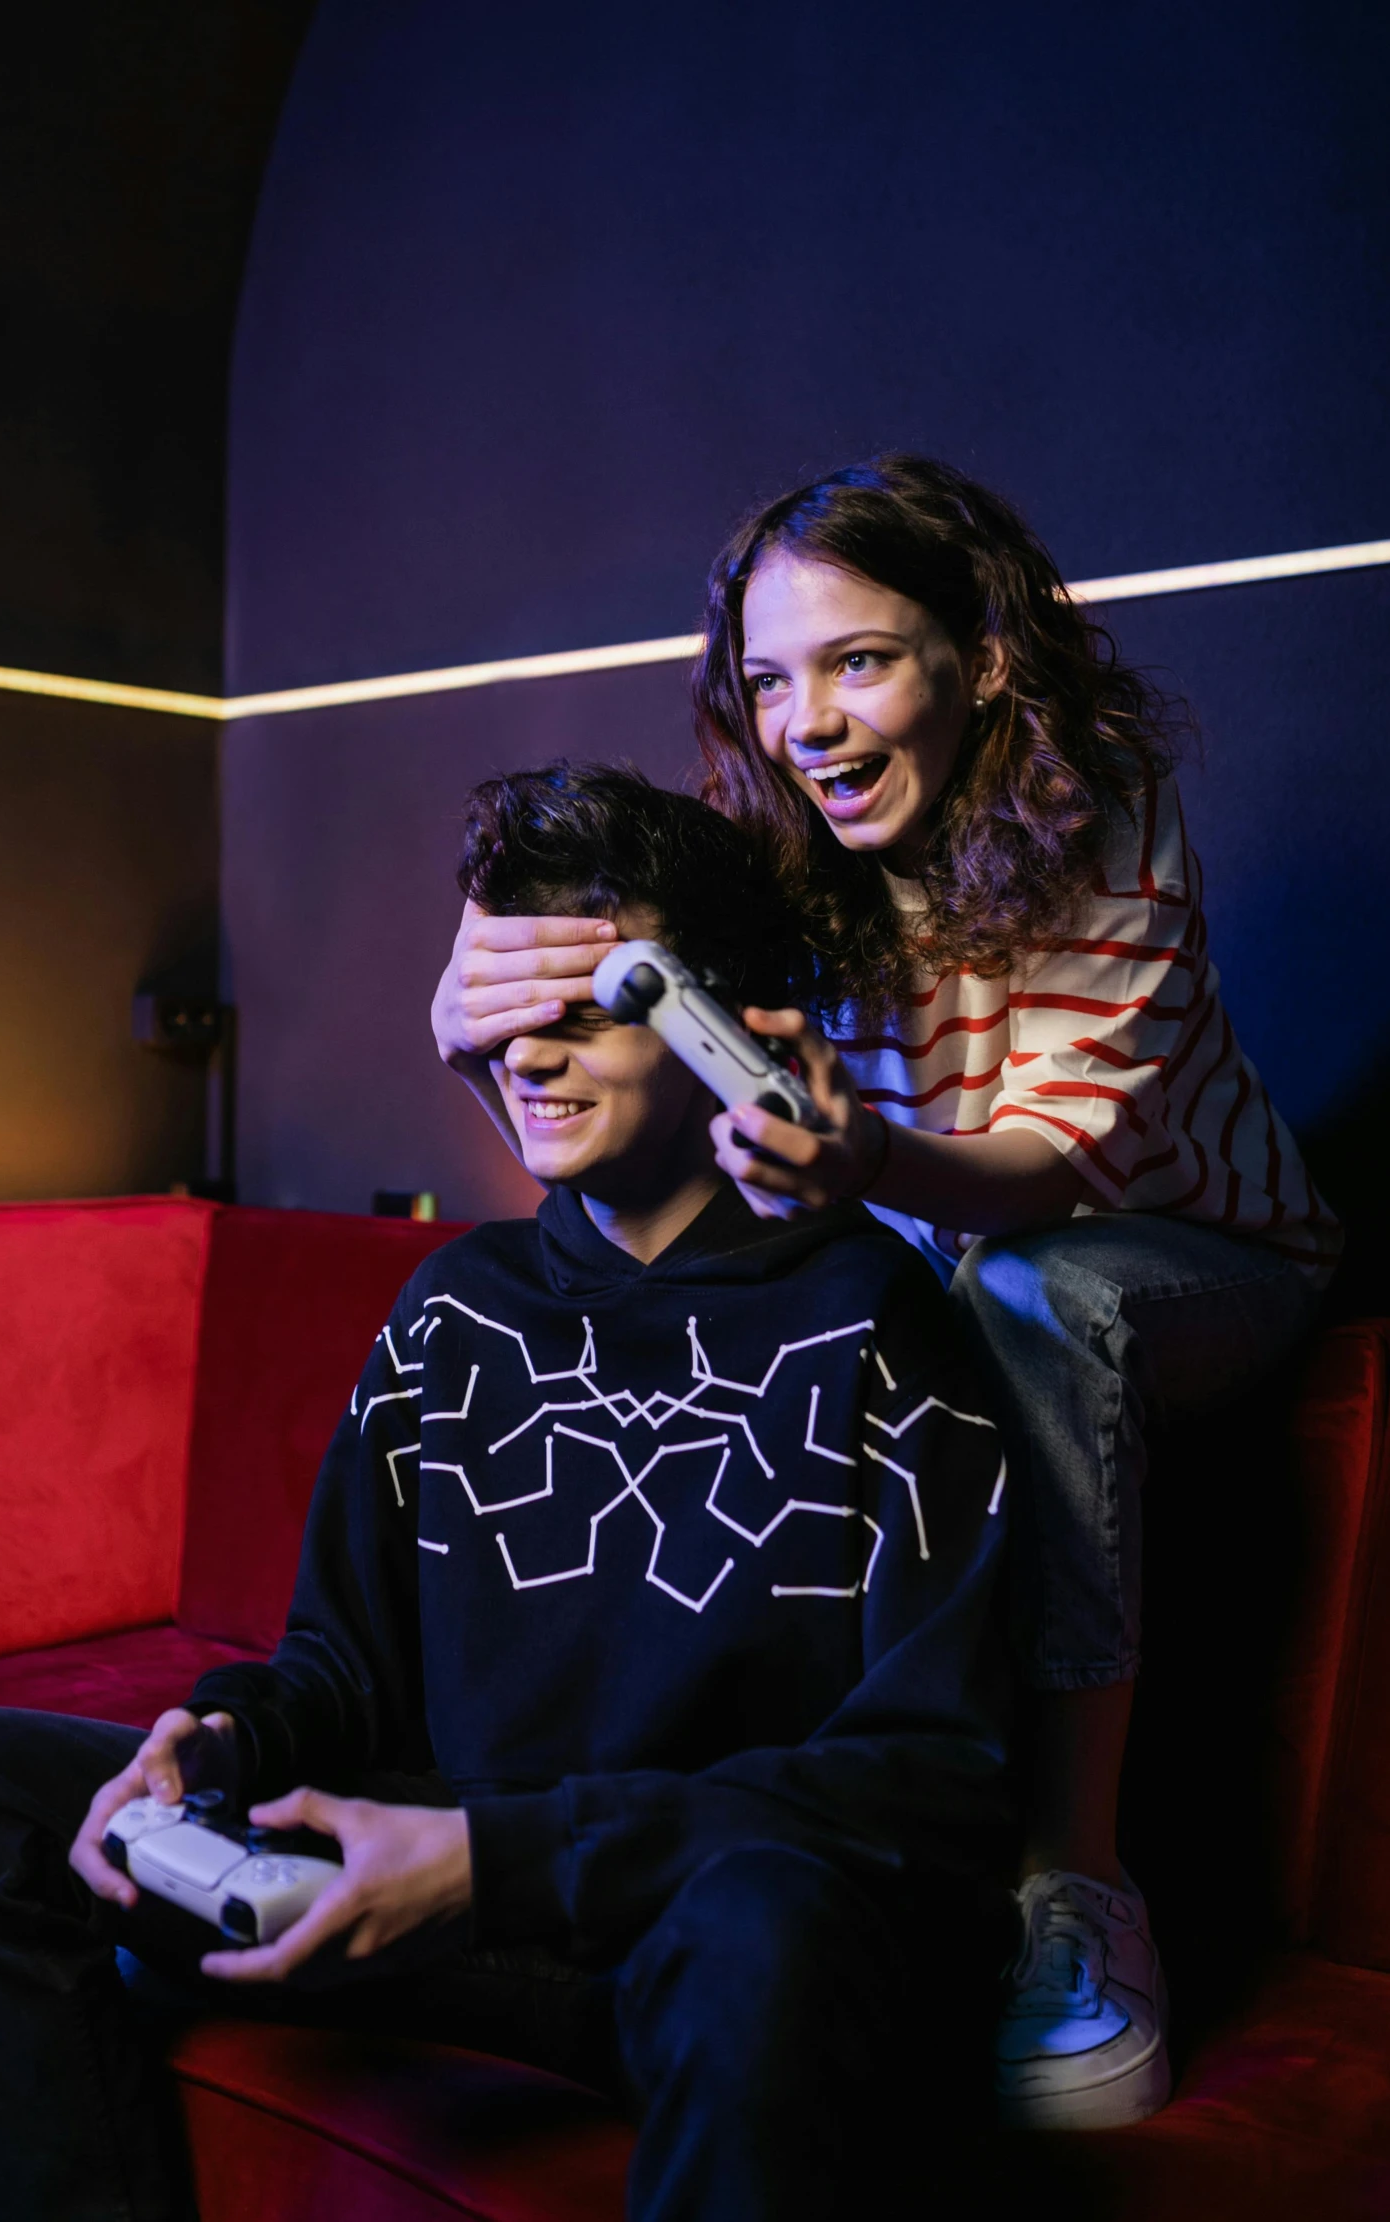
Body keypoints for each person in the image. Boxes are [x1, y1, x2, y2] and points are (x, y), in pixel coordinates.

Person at [0, 763, 1013, 2222]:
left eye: (586, 1003)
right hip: (430, 1882)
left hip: (685, 1916)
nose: (529, 1054)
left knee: (767, 1931)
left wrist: (493, 1861)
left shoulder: (876, 1313)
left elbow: (931, 1779)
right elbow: (341, 1662)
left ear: (721, 1024)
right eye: (497, 1011)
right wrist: (218, 1743)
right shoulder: (453, 1303)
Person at [431, 459, 1341, 2131]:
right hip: (933, 1252)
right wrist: (470, 1019)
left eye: (857, 661)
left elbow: (1043, 1170)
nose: (806, 722)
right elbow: (618, 1091)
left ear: (980, 657)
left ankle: (1074, 1888)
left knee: (1028, 1295)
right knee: (788, 1300)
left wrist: (868, 1172)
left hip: (1191, 1262)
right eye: (769, 680)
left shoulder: (1106, 809)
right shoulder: (782, 863)